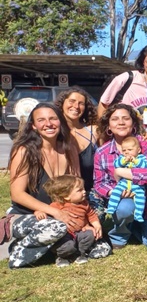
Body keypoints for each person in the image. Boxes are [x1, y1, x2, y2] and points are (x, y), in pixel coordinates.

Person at [7, 104, 81, 268]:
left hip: (58, 213)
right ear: (33, 125)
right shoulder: (24, 151)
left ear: (60, 121)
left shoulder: (69, 149)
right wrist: (56, 212)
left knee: (101, 247)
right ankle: (18, 254)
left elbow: (77, 186)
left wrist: (82, 217)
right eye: (41, 120)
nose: (48, 124)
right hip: (24, 215)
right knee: (56, 227)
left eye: (53, 118)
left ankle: (55, 247)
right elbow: (17, 194)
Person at [94, 104, 147, 251]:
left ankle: (134, 225)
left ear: (134, 123)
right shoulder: (102, 152)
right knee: (125, 207)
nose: (120, 122)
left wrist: (120, 172)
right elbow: (99, 183)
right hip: (123, 199)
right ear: (109, 126)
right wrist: (113, 192)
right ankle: (120, 233)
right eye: (115, 119)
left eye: (125, 118)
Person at [97, 43, 147, 143]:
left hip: (146, 144)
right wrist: (104, 135)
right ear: (143, 61)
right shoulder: (126, 79)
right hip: (120, 142)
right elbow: (103, 104)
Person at [55, 87, 103, 215]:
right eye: (72, 101)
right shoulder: (53, 132)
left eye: (81, 103)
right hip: (64, 192)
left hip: (91, 192)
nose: (76, 106)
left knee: (93, 218)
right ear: (62, 103)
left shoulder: (94, 131)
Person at [41, 175, 102, 267]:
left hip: (80, 232)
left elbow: (91, 215)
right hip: (65, 235)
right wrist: (38, 212)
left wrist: (97, 225)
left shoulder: (84, 204)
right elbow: (45, 210)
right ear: (66, 196)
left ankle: (80, 253)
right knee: (66, 246)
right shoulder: (58, 205)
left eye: (84, 189)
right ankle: (62, 256)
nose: (84, 192)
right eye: (79, 190)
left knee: (90, 235)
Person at [105, 136, 147, 223]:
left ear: (138, 150)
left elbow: (145, 166)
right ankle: (111, 207)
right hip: (124, 182)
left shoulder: (141, 158)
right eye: (124, 150)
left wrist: (135, 161)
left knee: (141, 197)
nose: (127, 152)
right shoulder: (122, 158)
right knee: (116, 191)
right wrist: (124, 161)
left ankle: (138, 214)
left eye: (130, 150)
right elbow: (116, 164)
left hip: (137, 184)